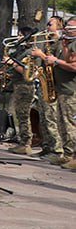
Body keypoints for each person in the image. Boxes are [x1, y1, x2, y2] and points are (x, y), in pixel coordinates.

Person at [36, 19, 76, 169]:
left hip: (70, 90)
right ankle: (66, 156)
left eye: (69, 28)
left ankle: (73, 156)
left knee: (69, 124)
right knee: (62, 124)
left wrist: (56, 61)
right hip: (61, 89)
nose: (65, 29)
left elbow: (73, 66)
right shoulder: (67, 43)